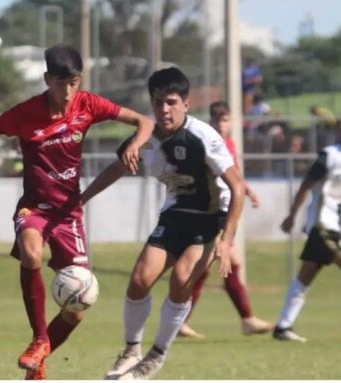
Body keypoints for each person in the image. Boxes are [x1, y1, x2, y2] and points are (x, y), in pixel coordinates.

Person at [0, 44, 154, 380]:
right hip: (34, 208)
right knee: (31, 255)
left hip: (68, 214)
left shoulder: (88, 104)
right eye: (61, 83)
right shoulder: (25, 113)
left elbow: (143, 121)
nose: (67, 91)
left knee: (77, 310)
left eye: (74, 82)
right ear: (47, 79)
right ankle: (39, 339)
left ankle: (41, 358)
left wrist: (135, 143)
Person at [80, 67, 246, 380]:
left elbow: (237, 187)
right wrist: (82, 198)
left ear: (186, 103)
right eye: (158, 103)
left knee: (181, 279)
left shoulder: (203, 137)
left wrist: (226, 238)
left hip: (212, 217)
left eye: (171, 102)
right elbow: (117, 169)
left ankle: (156, 356)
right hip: (176, 213)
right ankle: (131, 351)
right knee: (140, 278)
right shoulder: (148, 137)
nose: (164, 109)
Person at [177, 101, 273, 339]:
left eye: (226, 120)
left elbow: (235, 177)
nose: (221, 124)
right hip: (214, 211)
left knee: (215, 267)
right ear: (211, 122)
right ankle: (245, 319)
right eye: (217, 120)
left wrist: (248, 193)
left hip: (228, 210)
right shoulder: (206, 143)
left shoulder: (229, 144)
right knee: (222, 263)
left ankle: (182, 319)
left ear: (231, 122)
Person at [272, 141, 341, 342]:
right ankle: (283, 327)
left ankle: (283, 327)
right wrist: (292, 215)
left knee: (304, 278)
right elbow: (305, 186)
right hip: (322, 226)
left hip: (336, 227)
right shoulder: (329, 156)